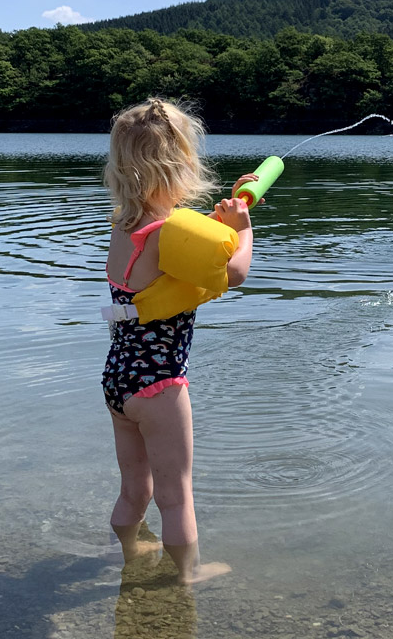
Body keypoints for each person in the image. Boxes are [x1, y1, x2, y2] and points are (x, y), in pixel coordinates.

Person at [101, 97, 255, 585]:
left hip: (119, 381)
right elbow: (234, 272)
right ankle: (188, 576)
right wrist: (244, 227)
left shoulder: (125, 227)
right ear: (182, 162)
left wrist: (228, 209)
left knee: (135, 489)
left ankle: (131, 554)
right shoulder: (171, 231)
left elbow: (187, 245)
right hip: (160, 387)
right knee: (177, 494)